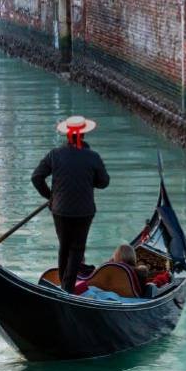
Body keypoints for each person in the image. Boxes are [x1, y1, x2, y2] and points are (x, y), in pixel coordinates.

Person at [31, 115, 110, 293]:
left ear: (68, 135)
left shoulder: (55, 155)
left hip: (60, 210)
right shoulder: (93, 157)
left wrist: (50, 197)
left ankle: (64, 285)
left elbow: (36, 177)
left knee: (64, 247)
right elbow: (104, 182)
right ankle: (67, 289)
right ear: (83, 135)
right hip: (84, 211)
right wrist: (89, 179)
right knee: (77, 249)